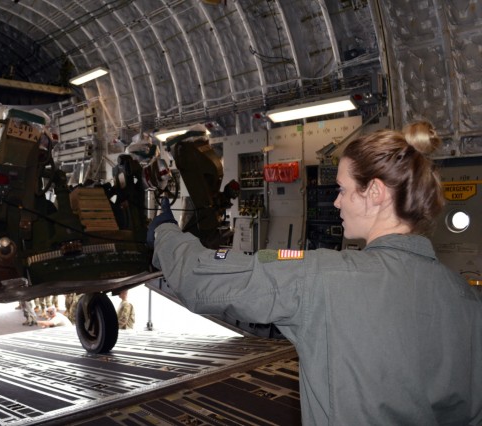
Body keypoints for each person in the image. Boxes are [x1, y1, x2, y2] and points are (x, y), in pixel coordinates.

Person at [147, 123, 482, 425]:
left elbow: (200, 277)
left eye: (342, 189)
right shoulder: (465, 296)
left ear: (375, 193)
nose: (336, 203)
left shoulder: (323, 277)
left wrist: (166, 233)